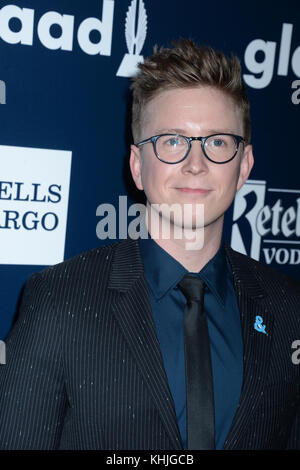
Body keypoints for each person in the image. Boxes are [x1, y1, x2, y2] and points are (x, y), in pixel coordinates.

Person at [0, 38, 299, 451]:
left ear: (244, 165)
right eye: (172, 141)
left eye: (217, 142)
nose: (196, 164)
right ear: (138, 166)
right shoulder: (57, 301)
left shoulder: (289, 308)